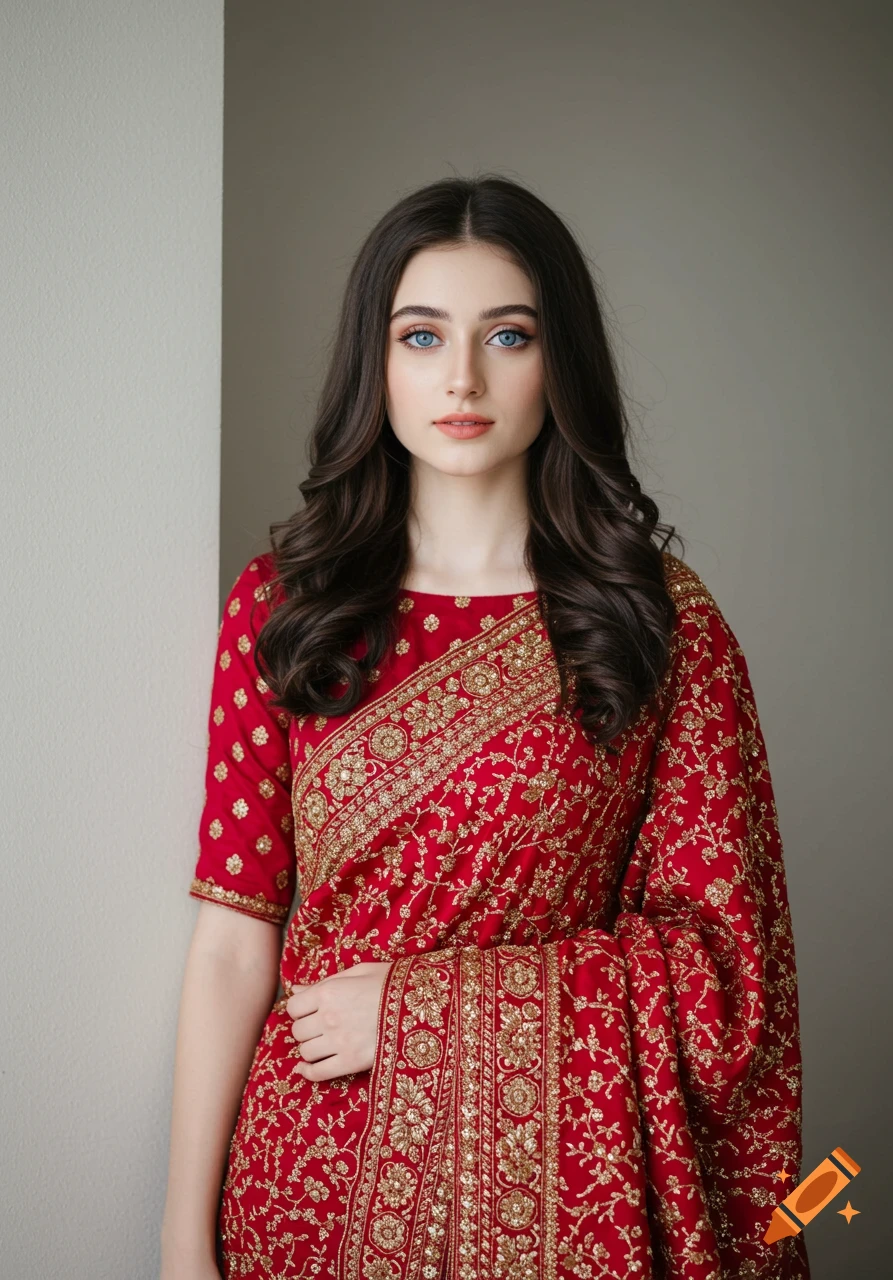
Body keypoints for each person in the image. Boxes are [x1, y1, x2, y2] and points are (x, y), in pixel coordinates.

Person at [160, 175, 810, 1280]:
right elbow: (233, 940)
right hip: (306, 1189)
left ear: (559, 360)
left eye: (506, 334)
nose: (460, 377)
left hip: (560, 1196)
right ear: (377, 362)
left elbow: (725, 971)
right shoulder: (285, 609)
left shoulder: (654, 619)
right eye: (421, 336)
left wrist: (421, 1015)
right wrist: (182, 1237)